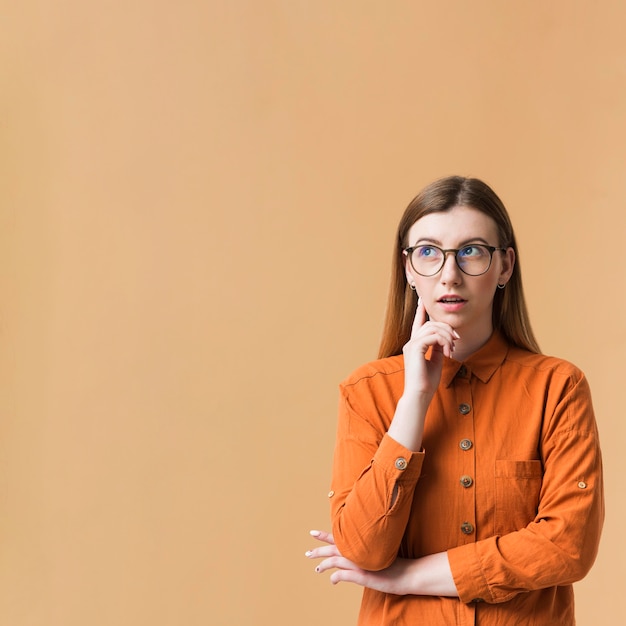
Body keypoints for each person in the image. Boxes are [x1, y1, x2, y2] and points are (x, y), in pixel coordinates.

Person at [305, 176, 604, 625]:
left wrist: (407, 577)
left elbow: (568, 547)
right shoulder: (366, 391)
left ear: (504, 267)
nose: (449, 274)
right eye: (428, 251)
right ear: (407, 269)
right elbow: (364, 548)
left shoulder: (558, 387)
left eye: (471, 251)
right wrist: (415, 400)